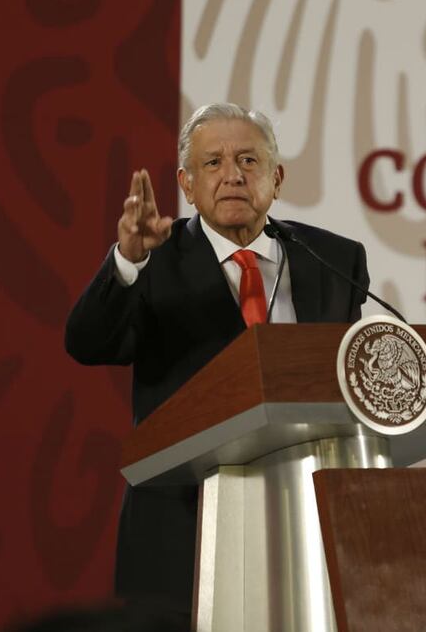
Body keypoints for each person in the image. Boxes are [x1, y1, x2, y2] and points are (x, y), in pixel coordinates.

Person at [65, 103, 369, 613]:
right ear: (186, 184)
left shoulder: (334, 258)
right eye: (213, 163)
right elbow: (87, 343)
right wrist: (127, 262)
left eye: (249, 161)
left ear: (277, 177)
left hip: (307, 513)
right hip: (184, 518)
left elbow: (349, 376)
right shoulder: (153, 261)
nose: (232, 175)